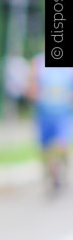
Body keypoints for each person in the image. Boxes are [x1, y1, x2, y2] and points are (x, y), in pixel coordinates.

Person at [27, 49, 73, 194]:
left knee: (62, 144)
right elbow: (31, 89)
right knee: (45, 149)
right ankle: (50, 171)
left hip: (63, 114)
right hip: (44, 114)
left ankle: (60, 169)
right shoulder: (38, 63)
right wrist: (36, 94)